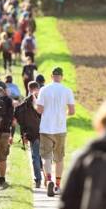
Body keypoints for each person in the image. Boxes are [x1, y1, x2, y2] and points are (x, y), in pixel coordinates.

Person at [36, 67, 75, 197]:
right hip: (60, 128)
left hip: (46, 127)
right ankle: (58, 185)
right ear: (61, 77)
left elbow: (40, 110)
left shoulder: (44, 90)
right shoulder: (67, 90)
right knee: (59, 157)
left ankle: (48, 179)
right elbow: (72, 111)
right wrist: (64, 114)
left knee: (46, 156)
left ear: (51, 76)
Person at [14, 81, 42, 188]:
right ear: (38, 89)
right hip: (45, 132)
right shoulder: (43, 101)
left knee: (35, 156)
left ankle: (38, 179)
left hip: (32, 133)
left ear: (28, 88)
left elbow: (20, 121)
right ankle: (46, 176)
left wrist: (23, 135)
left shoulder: (23, 105)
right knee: (45, 156)